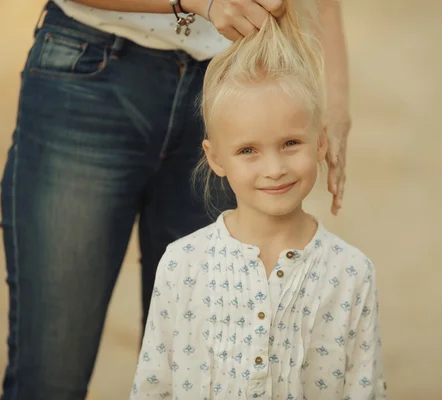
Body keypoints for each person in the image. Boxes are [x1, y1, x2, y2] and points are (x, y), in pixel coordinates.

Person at [0, 0, 350, 399]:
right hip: (89, 74)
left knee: (208, 384)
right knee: (49, 378)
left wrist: (334, 102)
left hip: (236, 89)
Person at [130, 1, 385, 398]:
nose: (274, 168)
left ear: (320, 141)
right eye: (248, 150)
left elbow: (364, 389)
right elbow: (153, 387)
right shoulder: (182, 265)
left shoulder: (352, 273)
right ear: (215, 158)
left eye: (290, 143)